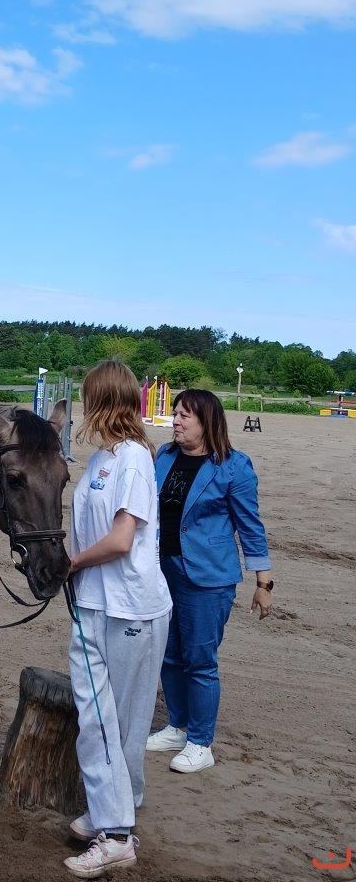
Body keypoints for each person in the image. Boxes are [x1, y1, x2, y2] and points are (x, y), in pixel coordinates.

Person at [63, 360, 172, 879]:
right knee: (96, 716)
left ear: (101, 401)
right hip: (93, 602)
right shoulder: (100, 460)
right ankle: (112, 812)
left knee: (122, 723)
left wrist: (72, 563)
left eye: (88, 397)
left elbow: (122, 539)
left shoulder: (133, 459)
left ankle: (118, 834)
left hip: (132, 606)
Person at [146, 389, 273, 774]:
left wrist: (263, 583)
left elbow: (250, 527)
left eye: (184, 416)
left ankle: (201, 743)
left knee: (200, 661)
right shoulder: (165, 456)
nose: (175, 421)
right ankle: (177, 726)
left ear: (207, 422)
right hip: (163, 571)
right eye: (175, 414)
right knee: (168, 654)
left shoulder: (233, 466)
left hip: (208, 578)